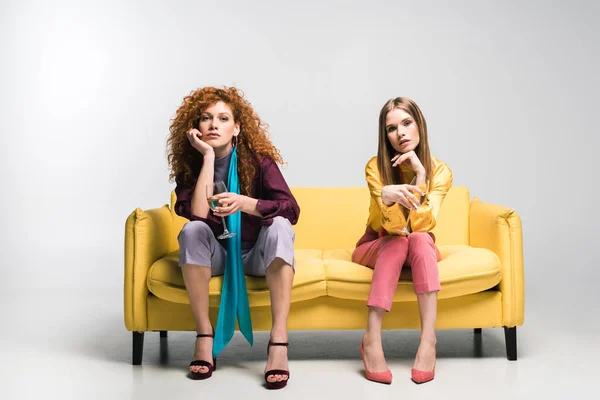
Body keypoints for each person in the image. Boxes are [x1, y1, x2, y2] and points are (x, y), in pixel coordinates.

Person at [166, 87, 300, 389]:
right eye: (206, 118)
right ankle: (204, 334)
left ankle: (279, 338)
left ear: (236, 127)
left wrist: (247, 203)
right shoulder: (191, 168)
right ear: (196, 128)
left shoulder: (260, 162)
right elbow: (199, 215)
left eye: (223, 118)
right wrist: (208, 157)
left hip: (254, 256)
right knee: (192, 230)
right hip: (217, 255)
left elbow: (291, 209)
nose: (214, 125)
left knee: (279, 226)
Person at [352, 97, 452, 384]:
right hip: (378, 242)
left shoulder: (440, 171)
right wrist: (385, 196)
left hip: (419, 244)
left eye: (407, 123)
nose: (401, 133)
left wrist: (420, 175)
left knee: (420, 239)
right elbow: (394, 229)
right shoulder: (375, 168)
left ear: (419, 125)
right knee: (398, 242)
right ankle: (371, 339)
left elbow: (422, 224)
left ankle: (428, 341)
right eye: (392, 128)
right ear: (385, 135)